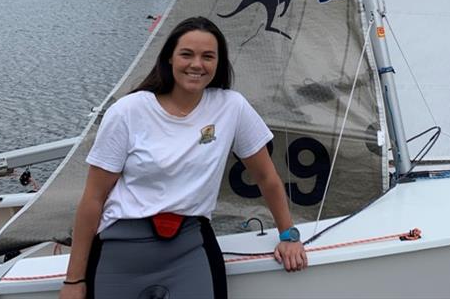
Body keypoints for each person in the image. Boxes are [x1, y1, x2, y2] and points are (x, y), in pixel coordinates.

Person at [60, 16, 307, 299]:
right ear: (169, 59)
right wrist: (74, 280)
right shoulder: (128, 112)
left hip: (189, 250)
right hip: (121, 252)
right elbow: (93, 198)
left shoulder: (231, 107)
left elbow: (266, 177)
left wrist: (288, 235)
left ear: (219, 63)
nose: (196, 65)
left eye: (208, 56)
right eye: (186, 54)